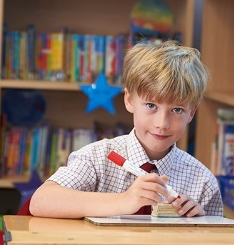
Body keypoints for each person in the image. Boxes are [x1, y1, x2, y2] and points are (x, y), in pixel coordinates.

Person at [30, 41, 223, 218]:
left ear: (191, 113)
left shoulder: (203, 181)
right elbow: (40, 201)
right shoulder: (98, 158)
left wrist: (201, 223)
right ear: (129, 100)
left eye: (177, 110)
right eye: (150, 106)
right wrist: (123, 201)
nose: (162, 123)